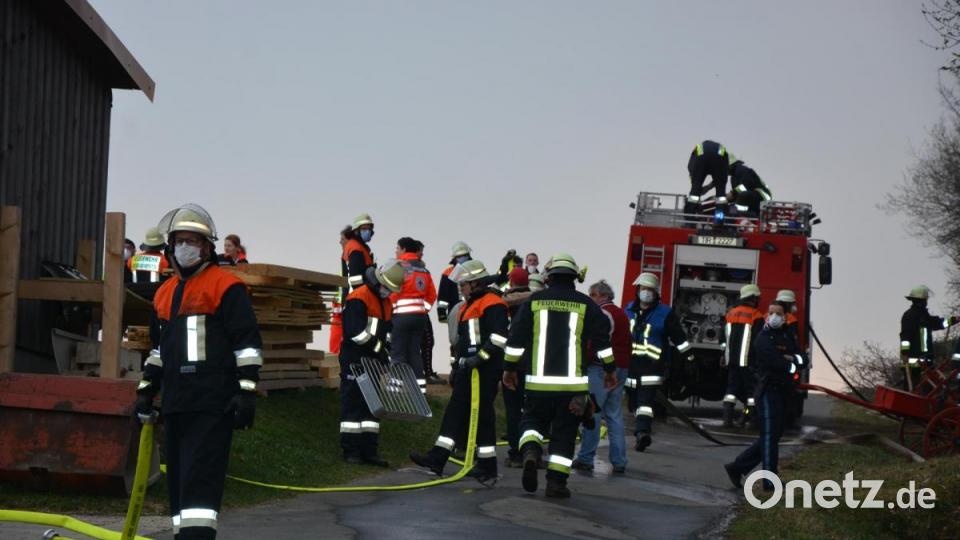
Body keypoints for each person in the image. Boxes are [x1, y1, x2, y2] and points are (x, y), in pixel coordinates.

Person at [134, 204, 263, 539]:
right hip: (176, 404)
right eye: (180, 241)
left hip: (211, 404)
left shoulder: (226, 287)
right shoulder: (164, 293)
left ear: (207, 248)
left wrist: (246, 392)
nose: (185, 248)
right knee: (178, 484)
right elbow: (159, 350)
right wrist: (147, 389)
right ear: (170, 246)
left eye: (193, 241)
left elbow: (247, 345)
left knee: (199, 483)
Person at [503, 253, 616, 499]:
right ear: (574, 278)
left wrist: (509, 368)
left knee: (531, 423)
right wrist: (609, 370)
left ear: (549, 277)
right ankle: (555, 484)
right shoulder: (586, 305)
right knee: (564, 434)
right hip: (571, 389)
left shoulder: (534, 302)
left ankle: (531, 451)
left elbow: (515, 341)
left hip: (537, 385)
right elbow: (602, 342)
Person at [410, 260, 509, 485]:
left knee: (483, 416)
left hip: (484, 371)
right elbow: (462, 343)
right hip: (467, 370)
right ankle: (438, 458)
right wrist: (456, 367)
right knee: (455, 412)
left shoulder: (493, 304)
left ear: (476, 283)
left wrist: (479, 359)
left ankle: (487, 467)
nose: (460, 288)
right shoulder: (467, 306)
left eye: (463, 284)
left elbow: (499, 339)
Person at [724, 303, 803, 491]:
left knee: (773, 436)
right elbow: (774, 361)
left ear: (785, 317)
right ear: (767, 316)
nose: (775, 316)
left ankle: (737, 467)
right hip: (768, 391)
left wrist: (794, 361)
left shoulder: (788, 336)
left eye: (779, 313)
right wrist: (791, 364)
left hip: (784, 391)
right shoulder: (763, 338)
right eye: (772, 313)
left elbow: (802, 358)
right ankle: (770, 481)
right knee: (769, 436)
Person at [339, 259, 404, 467]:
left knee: (372, 407)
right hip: (355, 359)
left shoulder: (386, 302)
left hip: (374, 361)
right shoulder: (359, 298)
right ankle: (351, 451)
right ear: (378, 281)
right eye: (387, 288)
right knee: (353, 405)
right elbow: (356, 333)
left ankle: (369, 450)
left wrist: (386, 353)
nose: (388, 292)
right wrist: (379, 350)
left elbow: (388, 332)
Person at [625, 272, 693, 452]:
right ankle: (641, 430)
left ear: (656, 292)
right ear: (638, 290)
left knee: (645, 403)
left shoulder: (665, 313)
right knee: (633, 403)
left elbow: (679, 338)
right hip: (631, 366)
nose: (646, 292)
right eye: (643, 289)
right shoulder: (629, 310)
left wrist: (689, 358)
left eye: (650, 289)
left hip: (652, 366)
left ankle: (642, 433)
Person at [572, 280, 631, 474]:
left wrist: (585, 363)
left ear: (603, 296)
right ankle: (619, 460)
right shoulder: (621, 313)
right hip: (622, 367)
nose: (591, 298)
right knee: (614, 415)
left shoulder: (602, 314)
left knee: (593, 412)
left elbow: (595, 342)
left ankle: (586, 457)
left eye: (593, 295)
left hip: (602, 369)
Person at [390, 237, 437, 395]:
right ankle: (420, 390)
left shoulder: (398, 267)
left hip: (401, 318)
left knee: (398, 352)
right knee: (414, 352)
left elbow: (392, 291)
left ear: (403, 249)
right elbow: (432, 294)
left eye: (397, 248)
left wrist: (392, 310)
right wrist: (423, 309)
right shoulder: (424, 270)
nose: (396, 251)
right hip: (420, 318)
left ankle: (395, 391)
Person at [501, 266, 533, 467]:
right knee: (531, 411)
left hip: (514, 363)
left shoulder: (504, 302)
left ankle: (516, 453)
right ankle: (530, 450)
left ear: (511, 282)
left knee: (513, 410)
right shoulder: (537, 300)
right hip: (533, 364)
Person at [721, 285, 765, 428]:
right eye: (757, 298)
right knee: (751, 392)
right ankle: (751, 420)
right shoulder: (756, 316)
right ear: (752, 298)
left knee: (731, 390)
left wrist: (724, 355)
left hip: (731, 360)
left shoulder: (730, 314)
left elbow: (723, 338)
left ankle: (727, 419)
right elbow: (759, 341)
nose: (758, 300)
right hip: (748, 361)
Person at [899, 285, 958, 389]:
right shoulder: (910, 316)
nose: (927, 301)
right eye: (926, 299)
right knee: (912, 390)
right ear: (921, 300)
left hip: (926, 361)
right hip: (913, 363)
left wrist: (954, 320)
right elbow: (905, 336)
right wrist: (905, 354)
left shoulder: (924, 316)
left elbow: (939, 323)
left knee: (930, 390)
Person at [685, 140, 732, 214]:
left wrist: (696, 186)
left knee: (694, 193)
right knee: (720, 194)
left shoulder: (698, 148)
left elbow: (691, 168)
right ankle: (719, 219)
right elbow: (721, 178)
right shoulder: (721, 149)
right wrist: (709, 187)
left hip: (701, 159)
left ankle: (690, 217)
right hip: (719, 159)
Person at [329, 225, 353, 355]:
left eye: (342, 239)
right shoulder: (345, 259)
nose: (340, 242)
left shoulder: (354, 258)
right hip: (339, 311)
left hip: (346, 310)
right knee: (335, 347)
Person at [436, 241, 471, 323]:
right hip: (455, 310)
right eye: (459, 256)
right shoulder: (448, 273)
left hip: (473, 308)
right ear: (455, 258)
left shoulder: (475, 269)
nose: (462, 258)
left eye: (464, 255)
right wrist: (441, 313)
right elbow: (443, 294)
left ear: (468, 255)